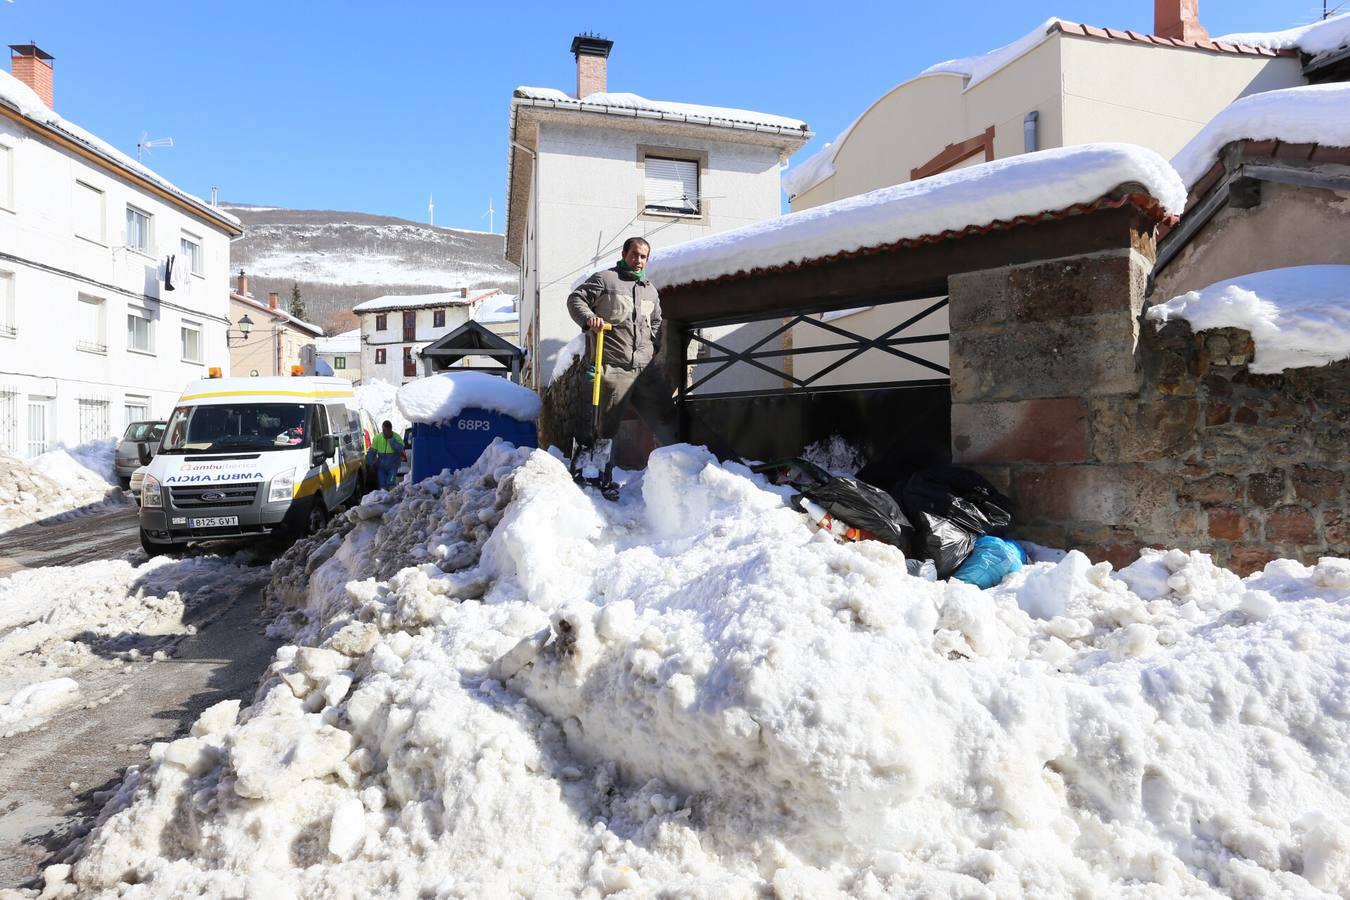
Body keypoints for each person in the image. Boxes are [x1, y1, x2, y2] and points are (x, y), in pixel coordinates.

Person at [565, 237, 678, 462]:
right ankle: (596, 473)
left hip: (645, 370)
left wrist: (652, 344)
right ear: (624, 254)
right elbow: (576, 299)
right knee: (604, 426)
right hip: (612, 366)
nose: (638, 260)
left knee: (666, 417)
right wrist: (590, 318)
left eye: (643, 256)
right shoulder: (606, 280)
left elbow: (656, 320)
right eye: (634, 254)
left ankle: (681, 464)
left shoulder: (650, 291)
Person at [369, 420, 404, 489]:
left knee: (390, 484)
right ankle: (384, 499)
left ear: (391, 429)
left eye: (387, 430)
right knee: (382, 485)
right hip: (381, 467)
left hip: (393, 467)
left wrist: (391, 439)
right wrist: (371, 464)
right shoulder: (377, 438)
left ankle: (391, 498)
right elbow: (372, 452)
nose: (385, 432)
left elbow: (400, 449)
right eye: (383, 430)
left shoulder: (397, 437)